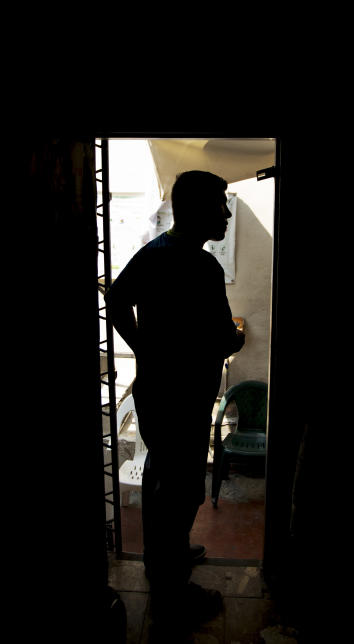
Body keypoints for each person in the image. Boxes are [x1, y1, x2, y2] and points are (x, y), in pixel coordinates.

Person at [104, 170, 245, 625]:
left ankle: (165, 560)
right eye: (220, 204)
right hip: (184, 398)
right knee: (182, 488)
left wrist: (143, 346)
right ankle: (173, 591)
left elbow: (117, 298)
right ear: (199, 209)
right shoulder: (202, 267)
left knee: (161, 477)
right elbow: (224, 337)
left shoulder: (153, 253)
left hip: (157, 392)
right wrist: (235, 340)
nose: (225, 213)